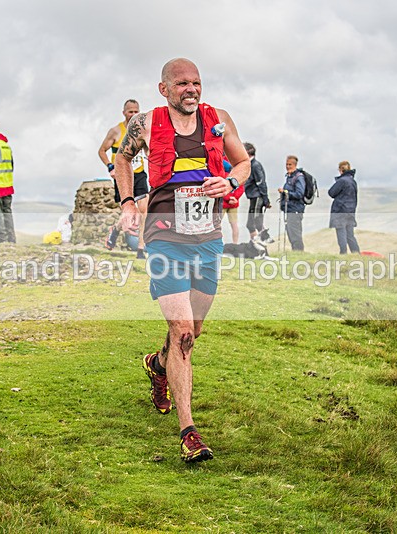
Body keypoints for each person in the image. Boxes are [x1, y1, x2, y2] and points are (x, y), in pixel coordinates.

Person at [114, 58, 250, 463]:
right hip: (164, 237)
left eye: (196, 82)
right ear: (164, 89)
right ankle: (189, 432)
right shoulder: (145, 123)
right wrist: (127, 203)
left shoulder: (218, 118)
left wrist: (230, 181)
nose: (191, 89)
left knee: (194, 330)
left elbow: (243, 162)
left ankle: (158, 365)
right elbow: (122, 160)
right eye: (181, 83)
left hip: (207, 238)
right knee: (183, 329)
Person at [98, 99, 150, 258]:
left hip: (139, 174)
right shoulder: (116, 131)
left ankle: (140, 248)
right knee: (129, 212)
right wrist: (110, 167)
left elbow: (149, 150)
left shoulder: (142, 130)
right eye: (130, 112)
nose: (133, 114)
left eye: (136, 111)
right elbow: (102, 151)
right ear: (124, 113)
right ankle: (115, 229)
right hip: (122, 176)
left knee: (144, 210)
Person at [329, 161, 361, 254]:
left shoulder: (342, 181)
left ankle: (343, 253)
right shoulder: (353, 181)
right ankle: (356, 253)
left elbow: (331, 192)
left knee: (341, 232)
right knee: (350, 235)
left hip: (340, 210)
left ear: (340, 170)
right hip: (350, 211)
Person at [278, 155, 305, 251]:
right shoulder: (289, 177)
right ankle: (295, 252)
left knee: (295, 233)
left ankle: (299, 253)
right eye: (287, 164)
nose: (288, 166)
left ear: (295, 165)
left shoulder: (299, 177)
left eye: (290, 164)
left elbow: (300, 194)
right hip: (289, 209)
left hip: (295, 209)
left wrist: (285, 192)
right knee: (290, 232)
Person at [243, 142, 270, 240]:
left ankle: (263, 243)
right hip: (253, 197)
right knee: (252, 224)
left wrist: (266, 200)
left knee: (254, 223)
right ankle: (257, 244)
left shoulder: (255, 165)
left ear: (248, 152)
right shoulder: (250, 164)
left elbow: (261, 182)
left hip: (257, 197)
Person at [221, 159, 244, 243]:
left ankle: (219, 243)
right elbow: (241, 188)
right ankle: (235, 243)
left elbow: (222, 189)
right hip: (234, 203)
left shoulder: (222, 175)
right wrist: (235, 198)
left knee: (217, 225)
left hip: (223, 203)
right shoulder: (238, 175)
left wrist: (228, 198)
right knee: (234, 225)